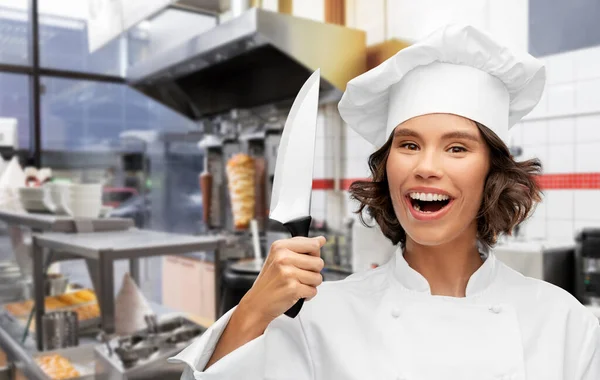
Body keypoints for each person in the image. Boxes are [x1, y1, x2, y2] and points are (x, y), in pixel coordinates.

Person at [170, 24, 600, 379]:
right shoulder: (322, 316)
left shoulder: (564, 322)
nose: (426, 167)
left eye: (457, 148)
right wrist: (253, 310)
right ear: (386, 168)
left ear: (493, 173)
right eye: (409, 145)